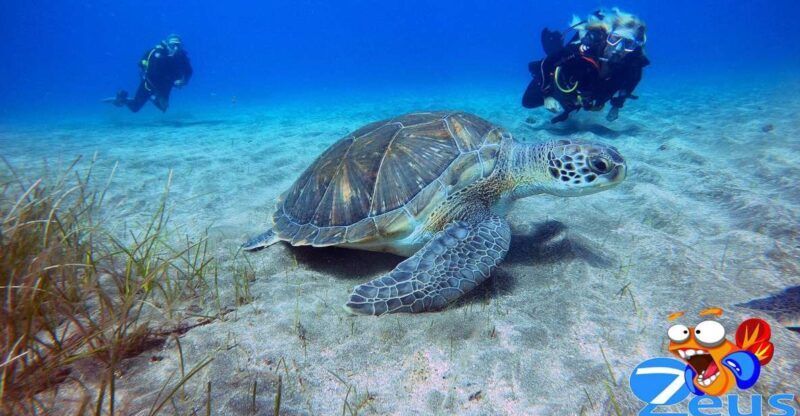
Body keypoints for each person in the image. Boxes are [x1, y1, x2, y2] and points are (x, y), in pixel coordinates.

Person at [522, 9, 649, 123]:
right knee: (528, 101)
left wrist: (616, 106)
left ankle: (573, 106)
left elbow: (628, 86)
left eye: (629, 44)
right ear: (606, 36)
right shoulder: (583, 49)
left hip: (584, 97)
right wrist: (546, 95)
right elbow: (548, 62)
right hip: (557, 83)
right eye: (615, 39)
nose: (618, 49)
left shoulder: (633, 65)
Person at [106, 34, 193, 112]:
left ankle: (151, 98)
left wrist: (184, 81)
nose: (175, 48)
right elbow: (150, 70)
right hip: (149, 83)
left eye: (178, 45)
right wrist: (158, 92)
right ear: (167, 44)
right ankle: (122, 98)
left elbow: (189, 71)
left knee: (163, 108)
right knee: (135, 108)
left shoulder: (181, 57)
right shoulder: (157, 53)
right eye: (173, 45)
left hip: (166, 84)